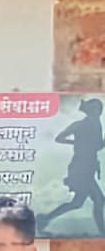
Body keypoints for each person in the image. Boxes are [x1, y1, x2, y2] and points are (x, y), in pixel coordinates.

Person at [40, 97, 105, 235]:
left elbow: (97, 146)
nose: (98, 112)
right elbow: (59, 138)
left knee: (78, 203)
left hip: (88, 168)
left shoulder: (97, 125)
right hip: (80, 168)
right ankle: (103, 232)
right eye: (95, 109)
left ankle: (45, 219)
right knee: (98, 200)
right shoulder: (79, 125)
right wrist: (76, 143)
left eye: (99, 109)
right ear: (89, 110)